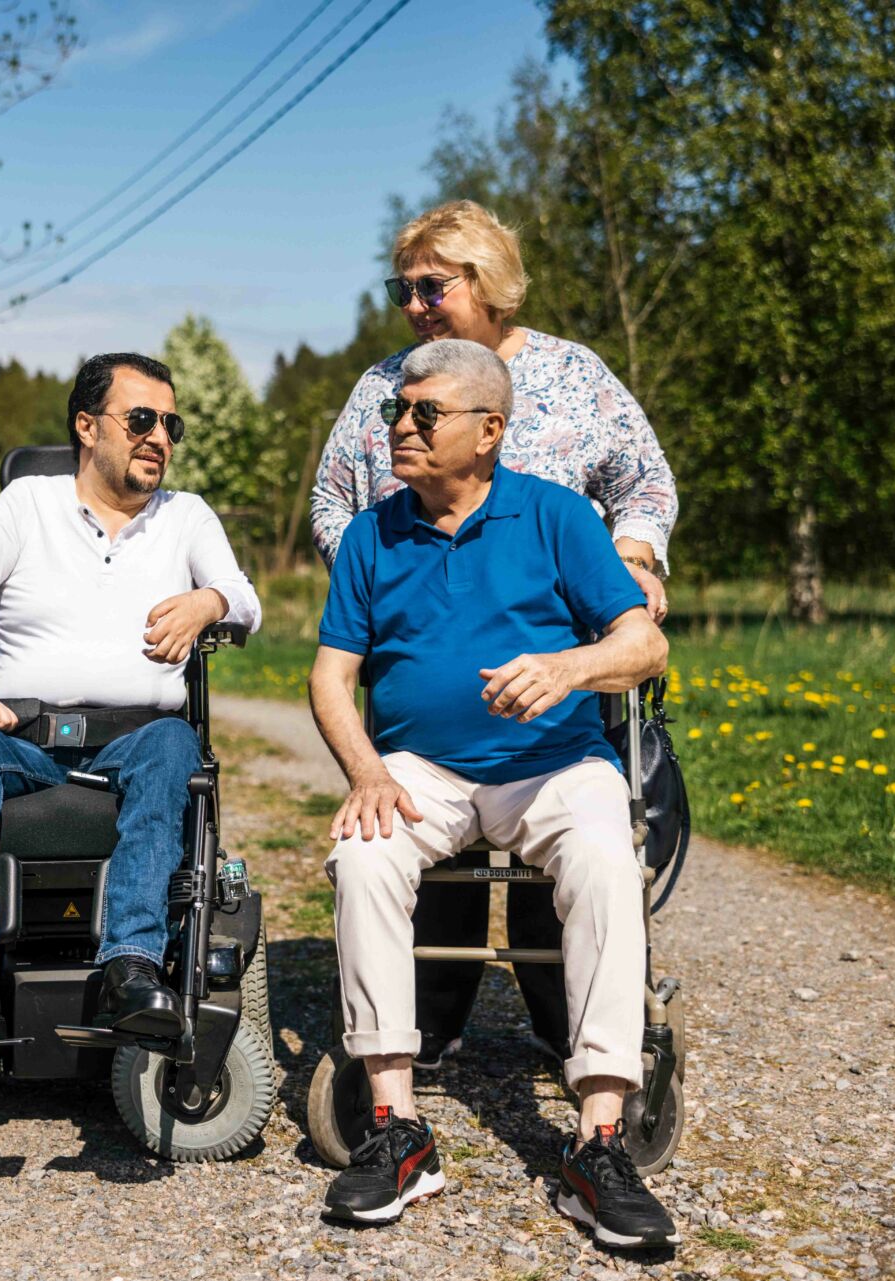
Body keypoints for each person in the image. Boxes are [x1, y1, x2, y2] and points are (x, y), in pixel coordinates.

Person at [309, 340, 676, 1247]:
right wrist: (367, 773)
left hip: (554, 764)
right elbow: (329, 675)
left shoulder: (556, 516)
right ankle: (397, 1129)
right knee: (364, 853)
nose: (399, 425)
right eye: (399, 410)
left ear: (489, 431)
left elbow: (645, 647)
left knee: (601, 856)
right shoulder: (372, 533)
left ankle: (597, 1139)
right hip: (421, 772)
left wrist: (569, 666)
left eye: (424, 412)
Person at [308, 199, 680, 1071]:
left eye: (430, 285)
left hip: (565, 629)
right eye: (401, 287)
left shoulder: (571, 374)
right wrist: (386, 571)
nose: (412, 303)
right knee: (427, 834)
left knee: (577, 832)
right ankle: (428, 1023)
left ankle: (572, 1026)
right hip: (419, 628)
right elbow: (333, 496)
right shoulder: (383, 385)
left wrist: (628, 554)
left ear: (488, 281)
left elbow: (644, 480)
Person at [0, 353, 262, 1046]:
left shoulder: (186, 517)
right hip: (22, 737)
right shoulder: (27, 505)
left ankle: (132, 965)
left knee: (174, 743)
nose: (160, 436)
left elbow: (247, 601)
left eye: (170, 423)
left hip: (137, 739)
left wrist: (209, 600)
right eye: (142, 419)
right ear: (88, 426)